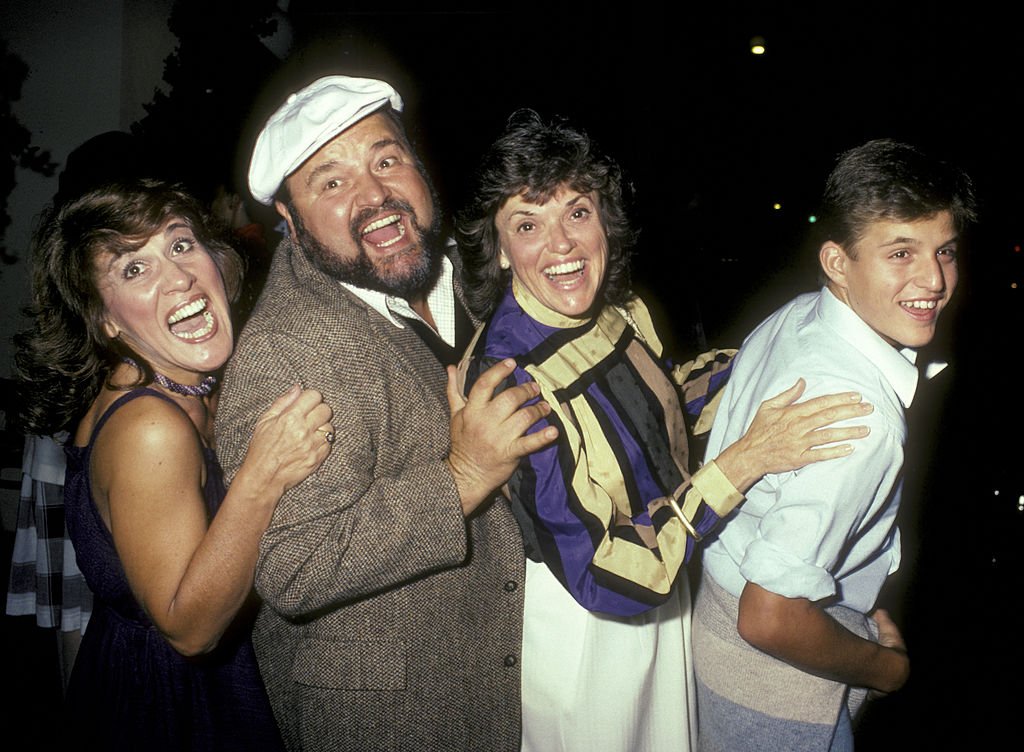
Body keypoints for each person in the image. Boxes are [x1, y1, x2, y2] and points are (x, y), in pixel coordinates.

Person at [453, 109, 877, 752]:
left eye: (577, 212)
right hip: (594, 634)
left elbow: (664, 401)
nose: (561, 244)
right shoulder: (514, 383)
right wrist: (742, 462)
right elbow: (604, 574)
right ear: (501, 250)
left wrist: (775, 359)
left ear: (605, 221)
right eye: (527, 224)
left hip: (663, 593)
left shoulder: (616, 308)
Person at [214, 75, 557, 751]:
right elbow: (293, 565)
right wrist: (462, 477)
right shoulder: (286, 353)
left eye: (386, 159)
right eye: (331, 181)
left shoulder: (475, 270)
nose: (374, 195)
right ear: (290, 217)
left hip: (519, 676)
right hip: (394, 721)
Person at [13, 179, 334, 751]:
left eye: (181, 244)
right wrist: (264, 474)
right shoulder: (149, 428)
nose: (179, 277)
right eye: (133, 269)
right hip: (165, 709)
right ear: (104, 320)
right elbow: (189, 628)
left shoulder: (199, 387)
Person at [692, 138, 978, 751]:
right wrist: (889, 670)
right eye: (901, 252)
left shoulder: (800, 314)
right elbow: (768, 617)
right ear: (837, 262)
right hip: (773, 686)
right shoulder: (861, 420)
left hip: (713, 628)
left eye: (944, 252)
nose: (933, 279)